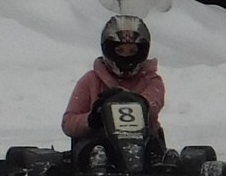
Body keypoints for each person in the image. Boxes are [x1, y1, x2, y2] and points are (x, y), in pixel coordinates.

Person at [61, 15, 167, 156]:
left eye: (132, 51)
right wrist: (93, 119)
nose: (126, 57)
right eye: (120, 51)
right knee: (94, 153)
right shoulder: (91, 80)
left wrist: (120, 99)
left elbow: (151, 105)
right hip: (98, 148)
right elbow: (69, 124)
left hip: (145, 150)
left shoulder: (152, 80)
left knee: (157, 153)